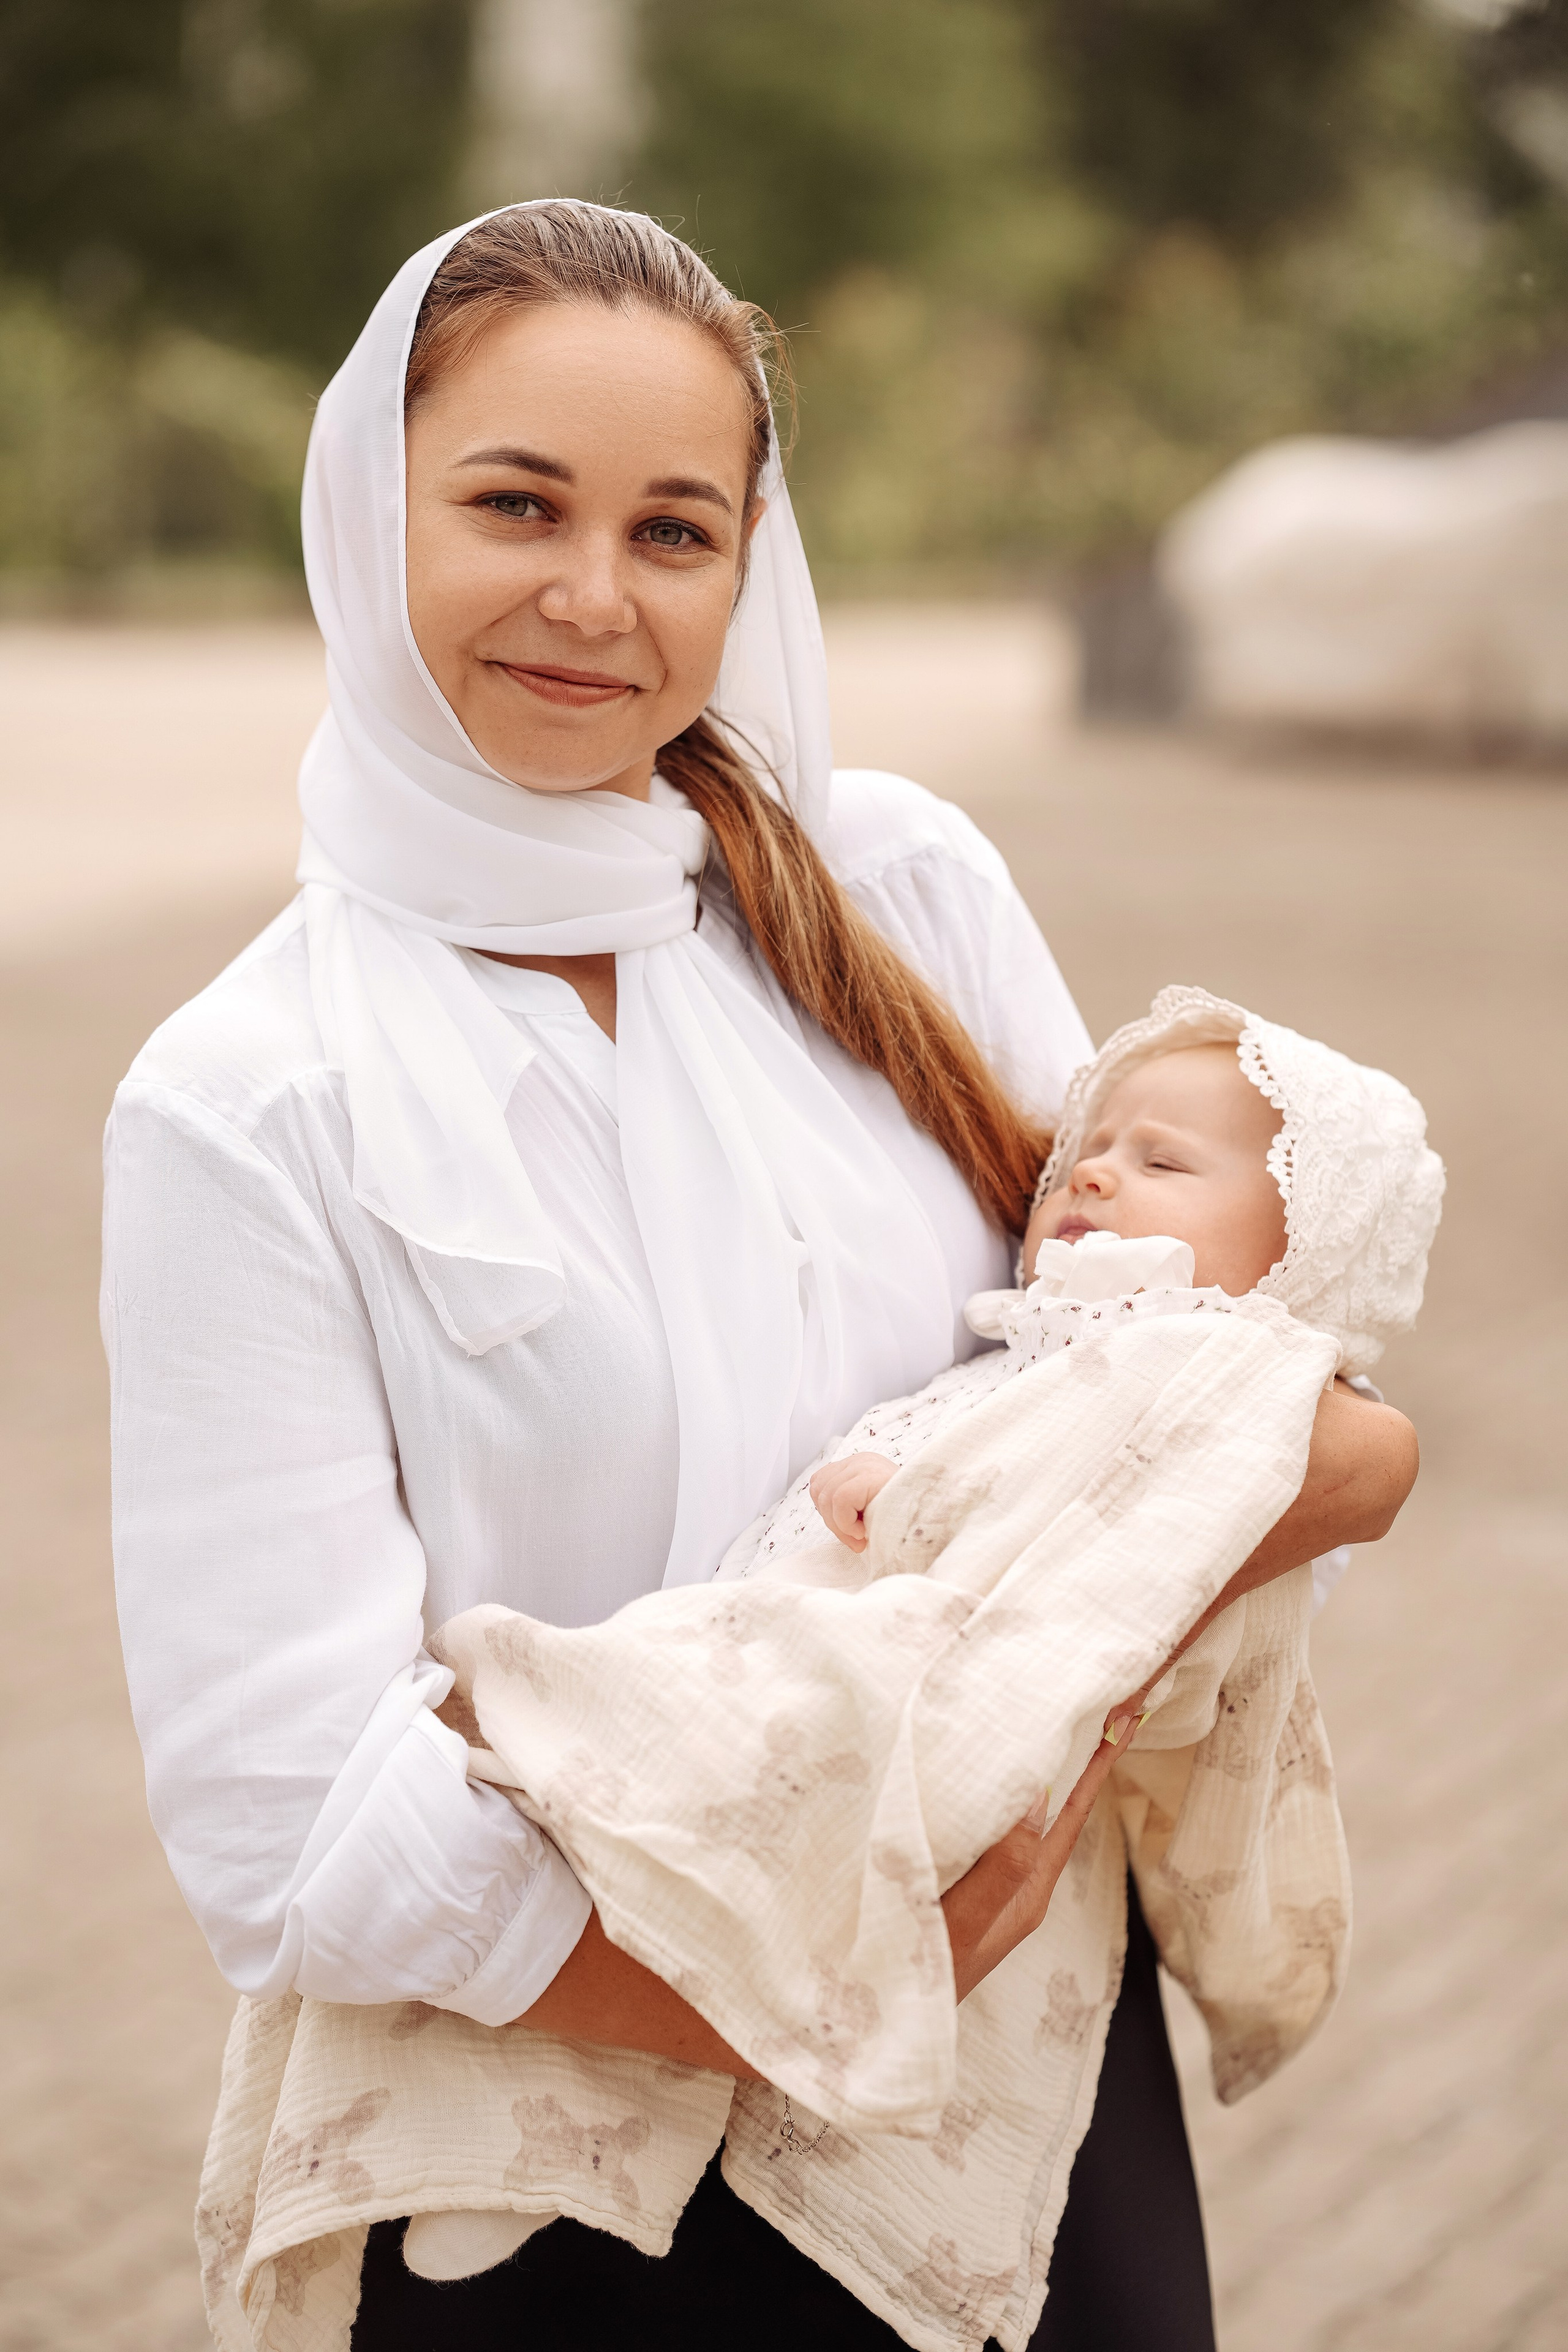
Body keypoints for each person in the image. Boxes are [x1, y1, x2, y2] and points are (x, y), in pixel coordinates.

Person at [104, 202, 1419, 2351]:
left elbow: (1202, 1371)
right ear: (366, 510)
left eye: (674, 531)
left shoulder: (902, 886)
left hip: (1018, 2120)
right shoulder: (250, 1099)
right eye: (515, 504)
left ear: (750, 564)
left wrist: (1321, 1493)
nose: (593, 596)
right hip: (567, 2187)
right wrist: (814, 1990)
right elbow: (287, 1820)